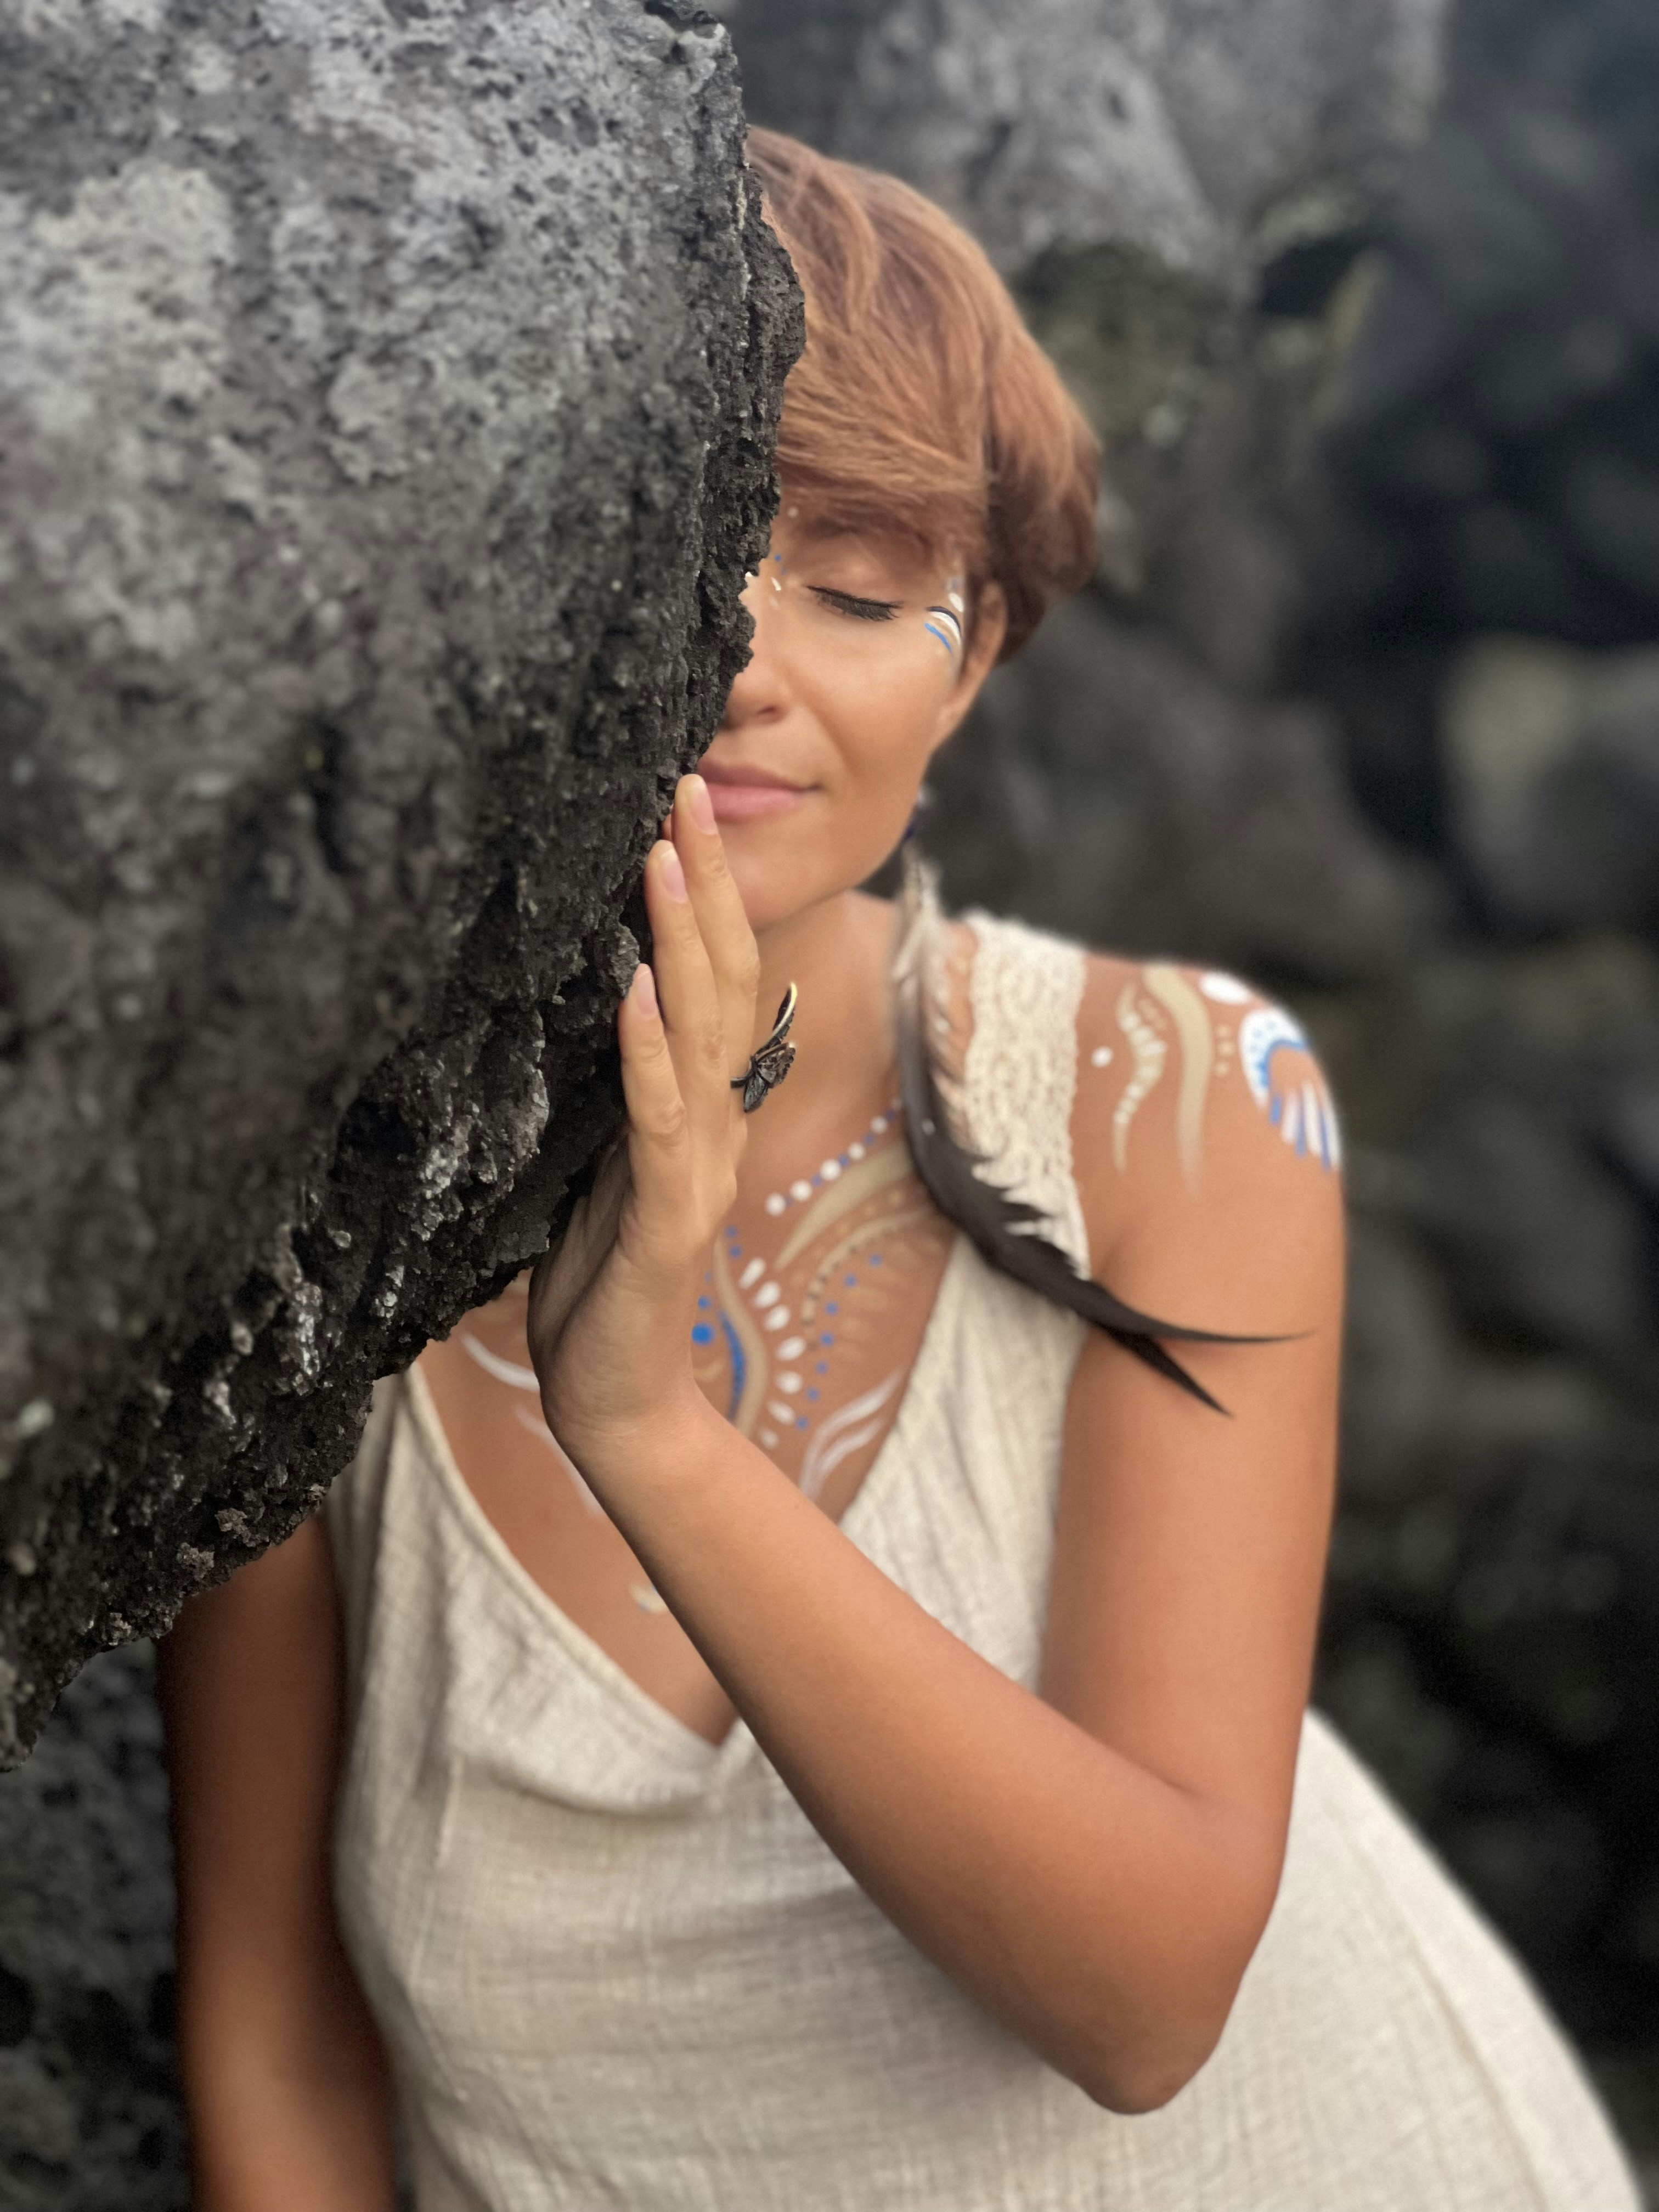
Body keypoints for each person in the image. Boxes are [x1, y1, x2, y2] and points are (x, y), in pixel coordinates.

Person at [158, 130, 1641, 2211]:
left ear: (980, 660)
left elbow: (1143, 1998)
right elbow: (281, 2047)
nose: (752, 664)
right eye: (674, 560)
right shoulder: (298, 1259)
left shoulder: (1177, 1097)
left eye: (859, 593)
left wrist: (649, 1431)